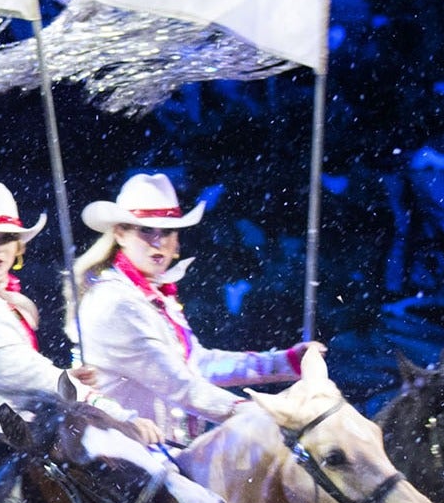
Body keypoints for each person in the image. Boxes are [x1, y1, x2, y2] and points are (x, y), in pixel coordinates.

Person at [0, 183, 162, 455]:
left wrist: (66, 381)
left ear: (17, 247)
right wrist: (111, 411)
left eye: (5, 238)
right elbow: (26, 373)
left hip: (9, 437)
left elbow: (16, 375)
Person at [72, 173, 320, 440]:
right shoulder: (115, 301)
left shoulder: (151, 296)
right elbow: (178, 385)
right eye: (146, 230)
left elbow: (198, 364)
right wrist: (264, 416)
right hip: (124, 457)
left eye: (167, 231)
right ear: (120, 234)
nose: (159, 242)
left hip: (167, 452)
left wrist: (286, 361)